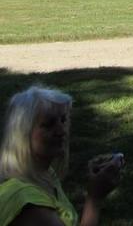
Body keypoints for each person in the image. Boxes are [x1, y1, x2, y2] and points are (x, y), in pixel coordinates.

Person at [0, 86, 123, 226]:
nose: (61, 130)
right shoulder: (28, 203)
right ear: (22, 134)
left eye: (63, 120)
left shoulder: (44, 173)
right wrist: (94, 199)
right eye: (48, 124)